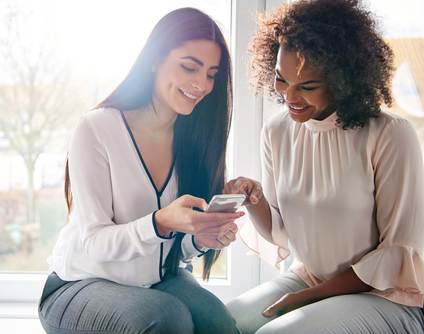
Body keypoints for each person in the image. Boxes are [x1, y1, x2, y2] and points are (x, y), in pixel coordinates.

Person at [38, 7, 242, 334]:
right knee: (165, 319)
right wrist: (160, 222)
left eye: (211, 74)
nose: (201, 84)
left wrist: (200, 239)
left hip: (154, 279)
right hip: (80, 282)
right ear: (155, 59)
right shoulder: (96, 128)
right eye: (189, 67)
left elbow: (171, 250)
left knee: (216, 322)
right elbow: (94, 242)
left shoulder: (194, 139)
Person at [224, 0, 424, 333]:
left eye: (307, 86)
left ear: (342, 79)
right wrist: (254, 199)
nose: (290, 97)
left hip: (387, 295)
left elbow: (396, 254)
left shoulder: (389, 134)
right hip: (309, 279)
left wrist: (307, 298)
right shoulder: (276, 131)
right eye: (281, 80)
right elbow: (279, 229)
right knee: (218, 323)